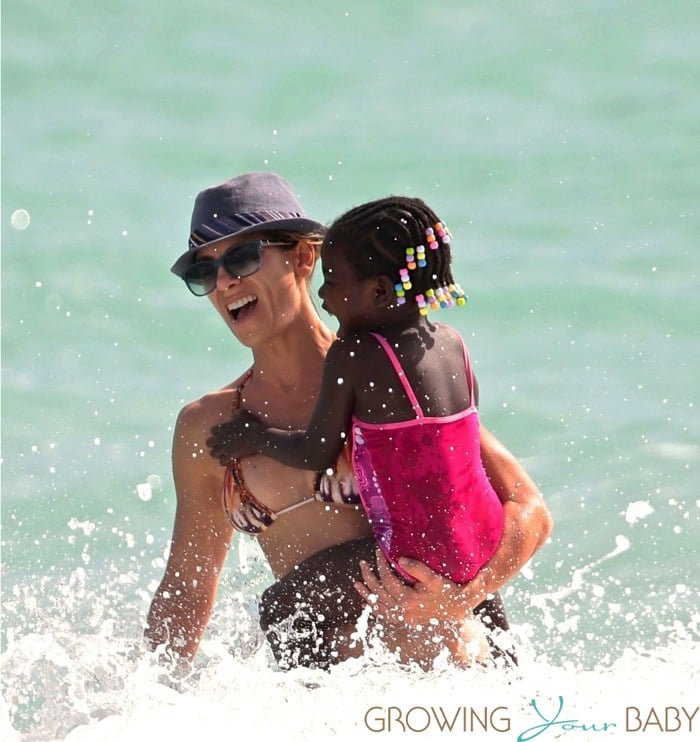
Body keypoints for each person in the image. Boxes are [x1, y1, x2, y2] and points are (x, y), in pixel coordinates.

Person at [145, 172, 553, 671]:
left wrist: (463, 595)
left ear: (303, 257)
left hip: (457, 674)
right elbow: (186, 591)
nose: (225, 281)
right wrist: (138, 708)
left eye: (242, 258)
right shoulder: (211, 425)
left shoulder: (388, 377)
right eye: (204, 273)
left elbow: (528, 509)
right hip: (330, 700)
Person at [208, 196, 505, 600]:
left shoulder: (354, 355)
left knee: (278, 606)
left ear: (380, 290)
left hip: (413, 554)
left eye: (332, 282)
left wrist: (253, 438)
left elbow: (315, 451)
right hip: (481, 537)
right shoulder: (451, 343)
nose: (325, 297)